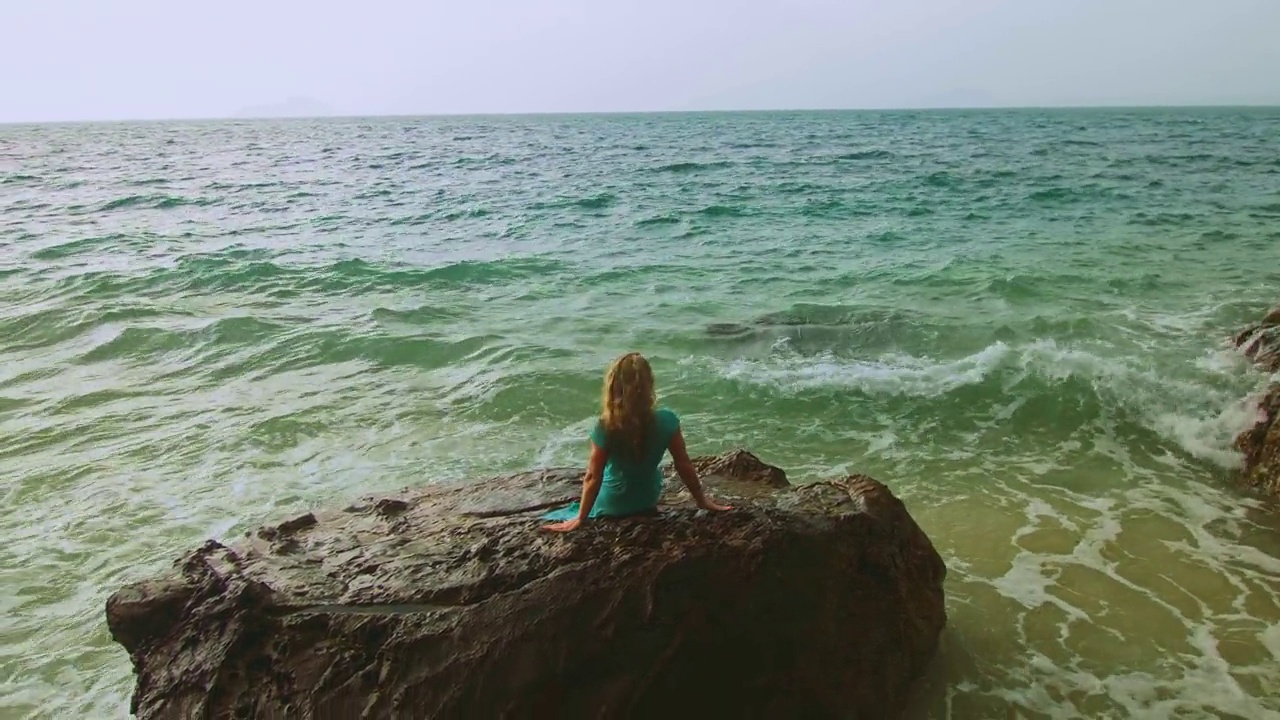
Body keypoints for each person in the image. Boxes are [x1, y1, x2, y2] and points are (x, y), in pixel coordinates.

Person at [542, 352, 731, 532]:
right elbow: (683, 465)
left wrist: (581, 518)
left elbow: (593, 476)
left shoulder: (605, 426)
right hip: (646, 499)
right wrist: (701, 500)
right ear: (649, 384)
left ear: (612, 386)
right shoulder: (668, 420)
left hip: (612, 504)